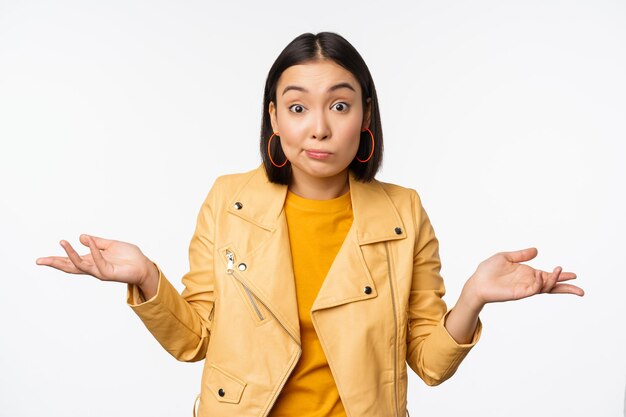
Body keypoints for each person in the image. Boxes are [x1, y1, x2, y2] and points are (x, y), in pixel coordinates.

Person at [35, 32, 584, 417]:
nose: (318, 128)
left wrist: (472, 298)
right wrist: (146, 278)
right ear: (273, 117)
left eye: (339, 106)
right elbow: (195, 340)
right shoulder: (229, 200)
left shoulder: (404, 212)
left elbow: (429, 365)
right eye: (297, 108)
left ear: (365, 115)